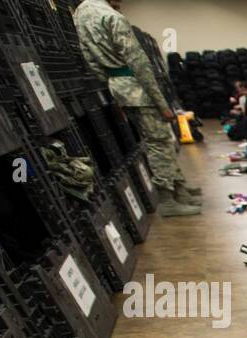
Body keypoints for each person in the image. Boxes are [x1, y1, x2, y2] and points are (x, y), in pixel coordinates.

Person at [72, 0, 201, 215]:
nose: (120, 3)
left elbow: (91, 60)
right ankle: (168, 199)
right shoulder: (113, 18)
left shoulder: (80, 14)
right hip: (138, 89)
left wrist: (113, 84)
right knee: (159, 143)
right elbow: (140, 65)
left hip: (119, 87)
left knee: (155, 140)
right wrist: (162, 104)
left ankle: (180, 189)